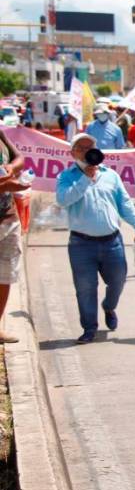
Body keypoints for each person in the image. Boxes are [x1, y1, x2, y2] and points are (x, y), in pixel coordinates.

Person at [56, 134, 135, 345]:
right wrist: (84, 179)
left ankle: (109, 306)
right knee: (85, 288)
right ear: (73, 153)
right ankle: (89, 328)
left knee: (118, 280)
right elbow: (63, 200)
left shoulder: (110, 175)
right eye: (82, 148)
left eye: (91, 147)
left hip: (112, 242)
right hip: (81, 244)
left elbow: (125, 204)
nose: (87, 151)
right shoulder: (66, 176)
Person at [0, 130, 28, 343]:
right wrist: (4, 186)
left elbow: (19, 157)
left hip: (8, 219)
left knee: (4, 277)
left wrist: (12, 167)